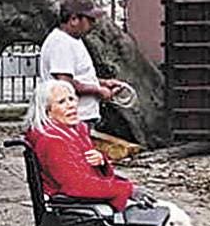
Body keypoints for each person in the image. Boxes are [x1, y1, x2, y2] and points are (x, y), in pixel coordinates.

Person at [24, 80, 150, 212]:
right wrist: (127, 189)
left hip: (84, 199)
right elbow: (77, 186)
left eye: (71, 99)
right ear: (47, 112)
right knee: (157, 214)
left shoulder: (74, 131)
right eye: (61, 102)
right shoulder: (52, 141)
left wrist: (101, 162)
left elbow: (87, 174)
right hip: (74, 206)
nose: (71, 105)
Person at [38, 0, 123, 128]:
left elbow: (78, 77)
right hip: (72, 119)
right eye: (90, 19)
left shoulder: (72, 40)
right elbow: (65, 84)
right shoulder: (61, 43)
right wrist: (98, 90)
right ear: (74, 19)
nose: (94, 23)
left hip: (80, 117)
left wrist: (103, 83)